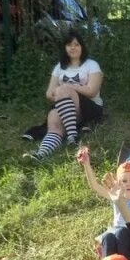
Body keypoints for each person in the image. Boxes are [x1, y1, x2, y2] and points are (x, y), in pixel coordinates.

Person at [24, 30, 103, 161]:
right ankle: (41, 153)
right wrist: (62, 97)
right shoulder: (59, 67)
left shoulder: (92, 65)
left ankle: (72, 135)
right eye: (69, 45)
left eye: (76, 44)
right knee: (53, 119)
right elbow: (49, 93)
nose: (73, 47)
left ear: (82, 47)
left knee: (63, 90)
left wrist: (67, 88)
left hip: (89, 108)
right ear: (65, 48)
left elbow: (92, 91)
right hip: (67, 110)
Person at [76, 146, 130, 260]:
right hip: (116, 234)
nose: (128, 184)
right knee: (107, 236)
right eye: (124, 181)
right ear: (117, 183)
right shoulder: (115, 197)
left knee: (122, 232)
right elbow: (95, 186)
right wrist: (86, 164)